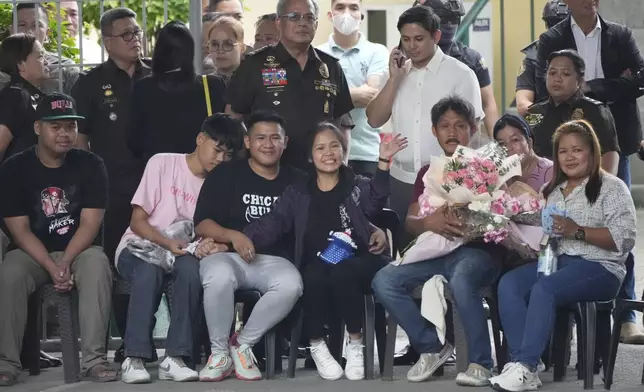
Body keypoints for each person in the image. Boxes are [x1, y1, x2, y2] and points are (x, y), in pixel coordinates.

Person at [242, 123, 406, 380]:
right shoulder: (298, 192)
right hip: (317, 263)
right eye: (320, 148)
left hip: (362, 259)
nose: (328, 153)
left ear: (343, 151)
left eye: (334, 146)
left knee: (343, 271)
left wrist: (384, 161)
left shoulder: (356, 185)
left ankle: (355, 344)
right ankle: (317, 346)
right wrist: (233, 241)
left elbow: (375, 201)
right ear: (310, 156)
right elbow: (272, 224)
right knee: (311, 275)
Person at [491, 120, 636, 392]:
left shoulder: (612, 187)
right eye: (563, 151)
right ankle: (523, 363)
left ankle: (525, 364)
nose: (569, 157)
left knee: (545, 288)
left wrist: (578, 231)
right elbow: (550, 234)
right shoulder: (554, 192)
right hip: (561, 263)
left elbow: (624, 239)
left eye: (577, 150)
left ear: (592, 152)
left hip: (601, 267)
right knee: (510, 284)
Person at [372, 96, 502, 386]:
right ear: (434, 131)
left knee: (462, 279)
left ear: (473, 129)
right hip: (433, 252)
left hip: (476, 252)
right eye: (445, 125)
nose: (452, 131)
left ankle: (481, 363)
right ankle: (432, 347)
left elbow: (502, 213)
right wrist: (429, 222)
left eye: (460, 125)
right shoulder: (427, 172)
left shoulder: (486, 167)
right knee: (384, 280)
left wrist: (476, 218)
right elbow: (410, 221)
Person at [535, 0, 644, 344]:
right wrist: (615, 82)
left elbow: (639, 80)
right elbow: (543, 82)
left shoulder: (621, 35)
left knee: (615, 229)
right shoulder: (552, 37)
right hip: (562, 156)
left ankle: (625, 314)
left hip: (611, 146)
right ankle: (564, 313)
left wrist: (595, 89)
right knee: (561, 236)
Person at [117, 114, 245, 384]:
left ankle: (176, 357)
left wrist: (210, 245)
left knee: (190, 271)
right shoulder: (162, 163)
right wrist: (166, 243)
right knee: (150, 271)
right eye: (217, 150)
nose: (220, 159)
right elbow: (137, 222)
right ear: (200, 139)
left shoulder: (219, 184)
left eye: (228, 154)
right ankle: (134, 357)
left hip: (184, 253)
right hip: (139, 247)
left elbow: (206, 232)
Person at [0, 93, 116, 386]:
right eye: (56, 127)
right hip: (31, 252)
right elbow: (19, 230)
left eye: (71, 127)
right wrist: (52, 268)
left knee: (97, 264)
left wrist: (64, 261)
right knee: (9, 273)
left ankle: (94, 360)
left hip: (78, 249)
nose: (65, 134)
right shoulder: (14, 168)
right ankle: (6, 363)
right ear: (38, 127)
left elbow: (90, 224)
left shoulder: (91, 164)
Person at [193, 111, 305, 382]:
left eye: (275, 138)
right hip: (226, 256)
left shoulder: (298, 179)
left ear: (286, 141)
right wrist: (233, 236)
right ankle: (218, 354)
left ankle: (241, 344)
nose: (268, 144)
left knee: (292, 285)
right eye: (260, 138)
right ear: (247, 141)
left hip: (272, 261)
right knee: (218, 276)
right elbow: (202, 224)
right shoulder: (226, 174)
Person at [70, 7, 152, 361]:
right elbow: (79, 140)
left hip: (158, 190)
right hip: (114, 191)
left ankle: (164, 342)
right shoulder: (89, 83)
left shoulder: (158, 76)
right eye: (127, 35)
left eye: (137, 32)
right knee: (121, 266)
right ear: (107, 42)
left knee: (163, 262)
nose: (136, 40)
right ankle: (129, 344)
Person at [365, 5, 483, 249]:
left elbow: (473, 133)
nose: (412, 46)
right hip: (400, 179)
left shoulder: (461, 74)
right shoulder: (395, 74)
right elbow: (374, 119)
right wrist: (395, 79)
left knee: (445, 249)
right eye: (406, 39)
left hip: (446, 181)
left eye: (419, 39)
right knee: (405, 251)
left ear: (436, 36)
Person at [224, 0, 354, 171]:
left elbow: (342, 125)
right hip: (267, 173)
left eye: (309, 17)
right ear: (279, 22)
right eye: (294, 17)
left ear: (316, 23)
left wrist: (341, 166)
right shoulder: (254, 65)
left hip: (319, 175)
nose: (302, 22)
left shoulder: (330, 67)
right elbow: (232, 119)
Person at [127, 21, 227, 162]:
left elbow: (133, 141)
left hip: (160, 173)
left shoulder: (143, 88)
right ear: (190, 51)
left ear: (159, 52)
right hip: (202, 173)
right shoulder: (213, 86)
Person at [317, 0, 389, 177]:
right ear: (330, 15)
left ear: (361, 15)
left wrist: (330, 96)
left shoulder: (377, 52)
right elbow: (313, 101)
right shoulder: (316, 53)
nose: (347, 13)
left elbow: (371, 96)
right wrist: (355, 94)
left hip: (367, 153)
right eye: (340, 7)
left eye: (353, 7)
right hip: (324, 153)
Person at [526, 50, 619, 175]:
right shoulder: (534, 112)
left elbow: (609, 154)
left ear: (579, 80)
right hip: (539, 186)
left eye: (565, 74)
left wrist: (600, 188)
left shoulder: (595, 110)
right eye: (552, 73)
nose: (557, 79)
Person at [415, 0, 499, 134]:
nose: (449, 25)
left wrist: (497, 143)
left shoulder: (471, 59)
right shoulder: (412, 59)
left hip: (459, 139)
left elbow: (488, 104)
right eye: (443, 19)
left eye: (453, 19)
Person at [11, 3, 80, 95]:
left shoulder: (65, 67)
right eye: (22, 25)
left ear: (47, 33)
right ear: (11, 31)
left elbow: (82, 107)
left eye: (36, 25)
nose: (29, 31)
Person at [0, 33, 49, 162]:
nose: (47, 61)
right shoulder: (15, 95)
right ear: (21, 64)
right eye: (40, 56)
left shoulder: (28, 94)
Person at [515, 0, 569, 116]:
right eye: (553, 23)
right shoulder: (534, 56)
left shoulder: (587, 49)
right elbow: (522, 104)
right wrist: (544, 119)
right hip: (545, 117)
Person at [493, 114, 553, 193]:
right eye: (501, 144)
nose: (508, 148)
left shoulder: (550, 171)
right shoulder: (500, 175)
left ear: (529, 142)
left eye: (515, 140)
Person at [205, 16, 246, 81]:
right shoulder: (202, 85)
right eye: (215, 44)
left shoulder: (256, 82)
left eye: (228, 44)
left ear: (242, 48)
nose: (220, 50)